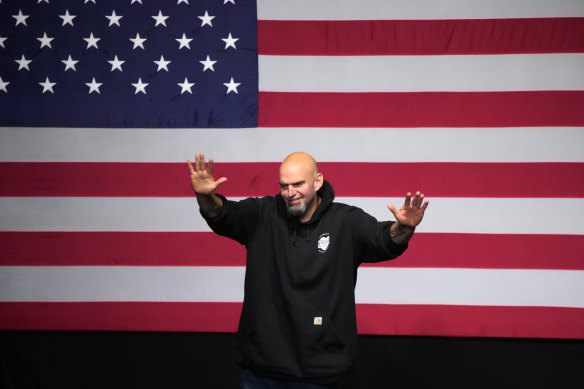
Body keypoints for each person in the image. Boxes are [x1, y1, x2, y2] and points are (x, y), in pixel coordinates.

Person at [187, 152, 429, 388]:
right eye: (284, 185)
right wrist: (204, 197)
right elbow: (221, 214)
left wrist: (405, 228)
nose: (290, 193)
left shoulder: (347, 221)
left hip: (319, 368)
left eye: (298, 184)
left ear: (318, 181)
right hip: (262, 366)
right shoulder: (262, 214)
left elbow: (384, 240)